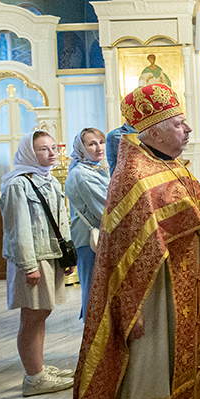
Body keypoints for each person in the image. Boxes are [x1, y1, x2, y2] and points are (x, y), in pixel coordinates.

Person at [63, 84, 200, 399]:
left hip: (188, 281)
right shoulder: (134, 176)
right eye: (178, 124)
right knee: (155, 364)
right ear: (153, 131)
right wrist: (130, 307)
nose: (188, 129)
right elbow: (125, 255)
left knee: (190, 357)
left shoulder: (170, 164)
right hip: (155, 293)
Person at [1, 130, 75, 395]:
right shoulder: (17, 184)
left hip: (50, 254)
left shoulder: (50, 180)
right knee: (32, 316)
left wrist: (67, 256)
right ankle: (34, 378)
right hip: (32, 259)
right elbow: (18, 229)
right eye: (43, 149)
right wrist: (28, 265)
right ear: (29, 153)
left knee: (43, 312)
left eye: (53, 148)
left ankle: (39, 368)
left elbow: (61, 219)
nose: (52, 153)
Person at [64, 128, 108, 319]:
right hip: (90, 239)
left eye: (101, 142)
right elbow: (104, 208)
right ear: (81, 148)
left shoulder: (94, 169)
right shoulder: (83, 174)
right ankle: (93, 333)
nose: (99, 147)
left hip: (98, 236)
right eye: (92, 144)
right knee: (94, 290)